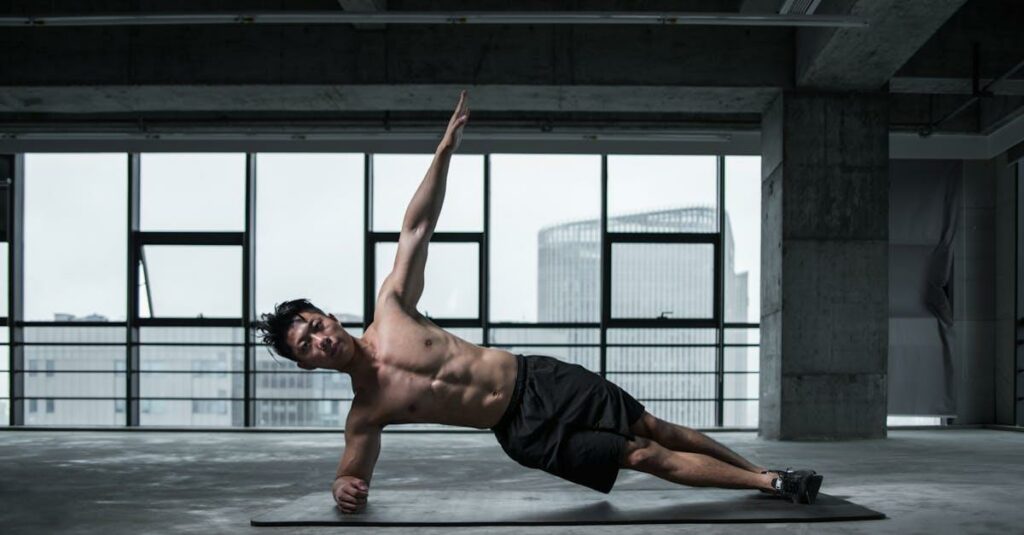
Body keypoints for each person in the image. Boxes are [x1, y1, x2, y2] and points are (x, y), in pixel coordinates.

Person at [255, 91, 823, 514]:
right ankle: (768, 484)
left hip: (539, 378)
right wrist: (341, 487)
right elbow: (353, 472)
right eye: (307, 345)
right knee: (640, 455)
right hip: (521, 432)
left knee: (655, 426)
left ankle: (770, 475)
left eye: (314, 324)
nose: (319, 338)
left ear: (328, 315)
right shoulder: (366, 411)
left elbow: (416, 228)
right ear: (308, 364)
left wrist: (446, 148)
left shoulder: (394, 309)